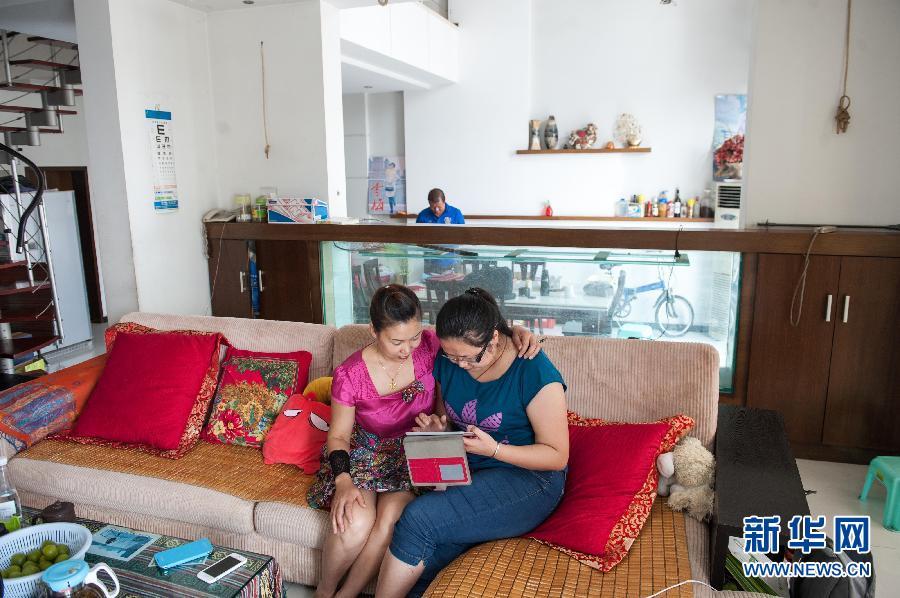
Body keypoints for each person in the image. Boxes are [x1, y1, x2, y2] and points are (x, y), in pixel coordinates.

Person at [307, 285, 541, 598]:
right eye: (396, 341)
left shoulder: (431, 345)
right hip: (365, 453)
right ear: (374, 331)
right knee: (355, 522)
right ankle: (324, 592)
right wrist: (344, 481)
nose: (408, 349)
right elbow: (338, 435)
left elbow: (472, 326)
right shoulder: (350, 375)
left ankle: (346, 595)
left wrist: (515, 332)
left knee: (392, 521)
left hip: (414, 452)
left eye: (414, 337)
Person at [375, 288, 569, 597]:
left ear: (493, 339)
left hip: (529, 479)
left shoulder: (533, 370)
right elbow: (449, 419)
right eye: (452, 356)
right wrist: (440, 429)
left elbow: (557, 456)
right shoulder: (448, 361)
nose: (460, 365)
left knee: (417, 520)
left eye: (468, 358)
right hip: (470, 470)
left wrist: (494, 450)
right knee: (425, 565)